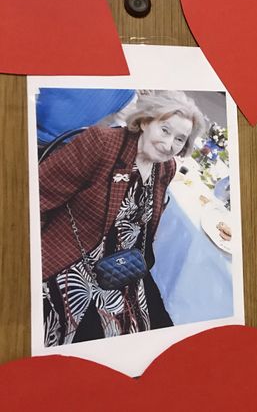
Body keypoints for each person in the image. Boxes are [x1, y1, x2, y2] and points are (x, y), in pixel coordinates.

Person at [39, 90, 207, 346]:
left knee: (130, 339)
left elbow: (143, 226)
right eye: (164, 130)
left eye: (180, 139)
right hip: (73, 254)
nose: (169, 144)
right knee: (56, 333)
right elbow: (39, 193)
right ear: (144, 121)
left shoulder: (167, 168)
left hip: (119, 264)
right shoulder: (102, 144)